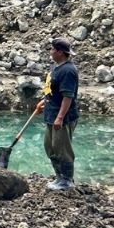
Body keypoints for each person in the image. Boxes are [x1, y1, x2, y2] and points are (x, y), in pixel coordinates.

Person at [43, 38, 79, 191]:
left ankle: (67, 180)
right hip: (51, 114)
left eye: (52, 49)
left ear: (59, 52)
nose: (50, 52)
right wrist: (43, 100)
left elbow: (68, 96)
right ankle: (59, 177)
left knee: (62, 149)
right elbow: (52, 89)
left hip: (62, 117)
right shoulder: (56, 67)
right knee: (50, 147)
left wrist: (60, 117)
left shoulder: (68, 71)